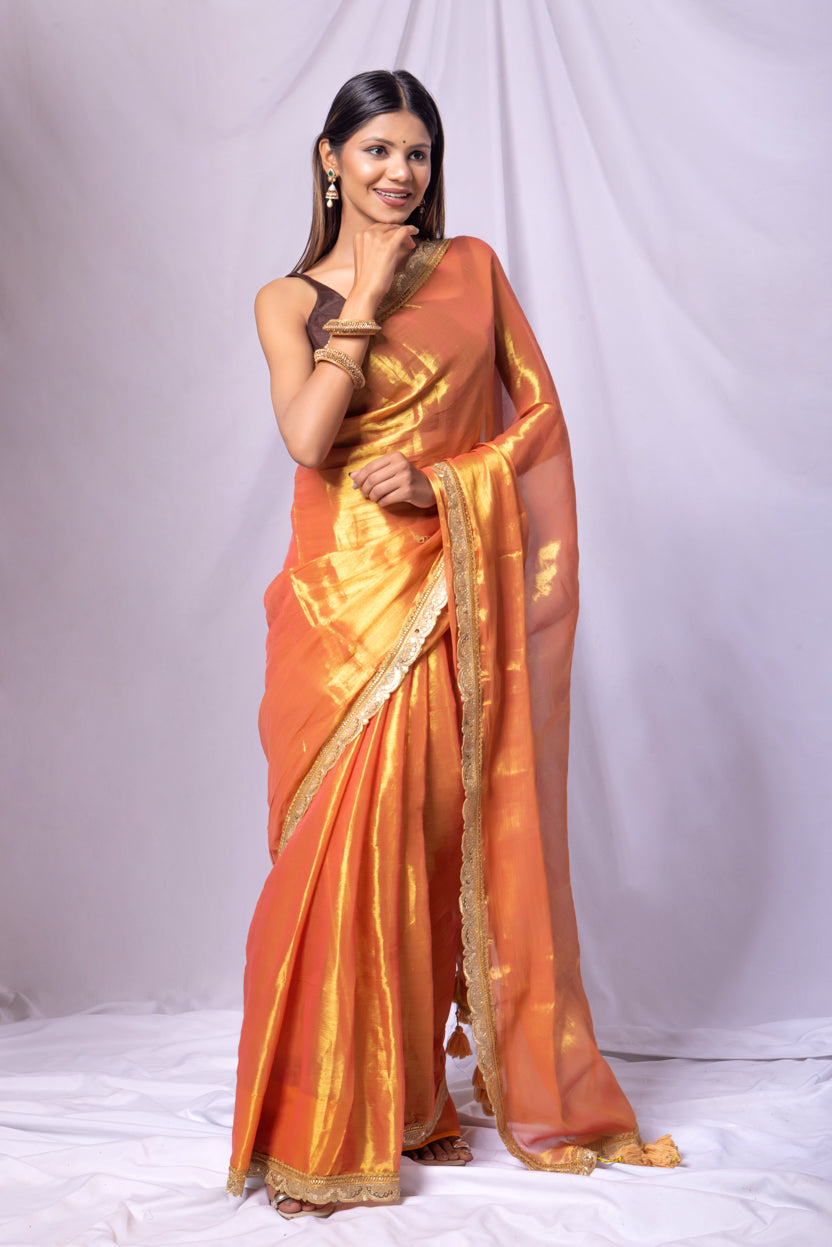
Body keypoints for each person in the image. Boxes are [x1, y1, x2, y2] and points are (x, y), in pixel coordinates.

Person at [227, 68, 679, 1221]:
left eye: (417, 154)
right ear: (331, 159)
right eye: (376, 150)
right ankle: (320, 1113)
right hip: (336, 608)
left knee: (426, 840)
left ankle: (405, 1090)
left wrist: (440, 479)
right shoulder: (287, 299)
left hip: (442, 591)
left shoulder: (473, 271)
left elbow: (538, 425)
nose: (400, 173)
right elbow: (307, 438)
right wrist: (366, 292)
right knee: (331, 856)